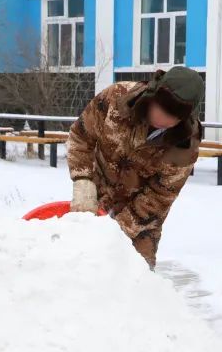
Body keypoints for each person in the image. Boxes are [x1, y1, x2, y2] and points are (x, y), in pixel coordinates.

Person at [68, 67, 203, 268]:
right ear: (153, 94)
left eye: (173, 117)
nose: (163, 120)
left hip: (140, 225)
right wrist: (82, 180)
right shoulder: (117, 99)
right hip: (93, 201)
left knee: (134, 283)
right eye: (161, 109)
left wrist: (113, 231)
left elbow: (159, 197)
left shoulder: (184, 144)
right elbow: (81, 136)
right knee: (79, 268)